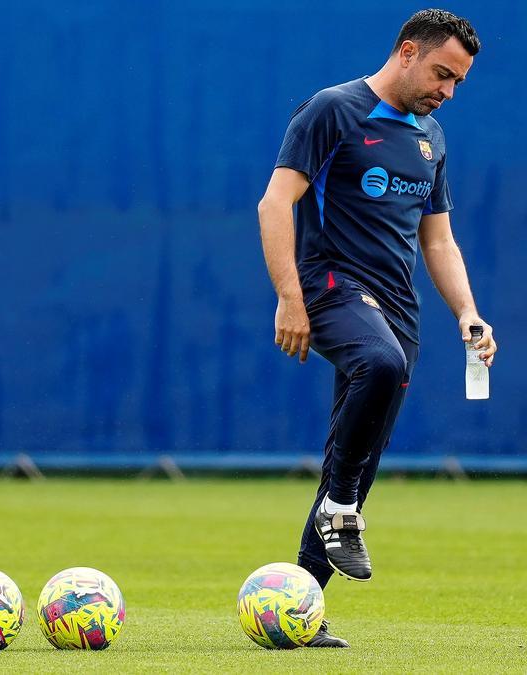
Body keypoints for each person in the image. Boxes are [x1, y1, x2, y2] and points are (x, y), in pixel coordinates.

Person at [257, 9, 497, 647]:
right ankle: (341, 509)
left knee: (355, 463)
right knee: (379, 373)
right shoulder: (333, 110)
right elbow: (275, 201)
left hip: (398, 308)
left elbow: (438, 240)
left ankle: (297, 616)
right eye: (442, 74)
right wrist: (288, 297)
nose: (447, 91)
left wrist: (468, 312)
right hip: (329, 283)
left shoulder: (432, 139)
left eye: (458, 83)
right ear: (408, 51)